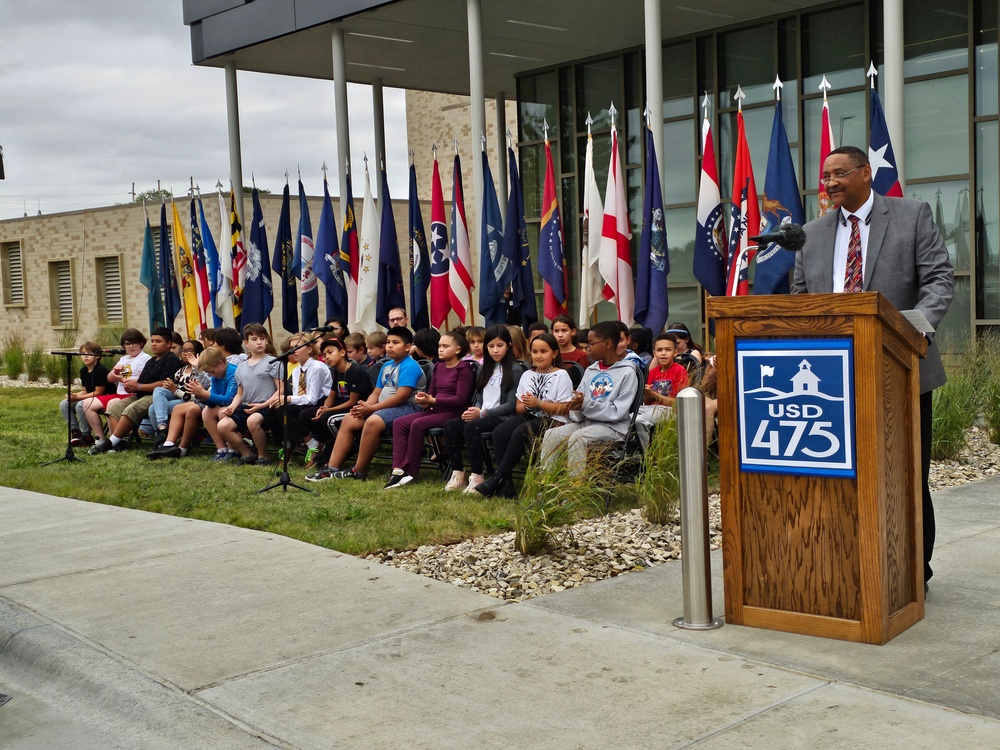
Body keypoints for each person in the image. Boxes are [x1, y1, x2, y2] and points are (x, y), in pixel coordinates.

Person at [793, 144, 954, 589]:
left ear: (866, 173)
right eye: (825, 176)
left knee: (904, 477)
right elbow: (802, 299)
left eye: (839, 173)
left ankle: (911, 574)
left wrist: (915, 330)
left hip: (900, 369)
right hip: (832, 379)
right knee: (842, 476)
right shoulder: (810, 232)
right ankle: (852, 565)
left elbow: (939, 279)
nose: (829, 183)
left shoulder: (911, 215)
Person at [321, 326, 427, 481]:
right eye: (388, 342)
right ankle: (332, 468)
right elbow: (376, 393)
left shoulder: (409, 366)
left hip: (408, 408)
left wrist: (372, 409)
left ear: (408, 347)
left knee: (373, 421)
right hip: (384, 408)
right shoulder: (386, 366)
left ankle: (359, 470)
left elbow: (401, 397)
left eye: (395, 342)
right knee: (351, 418)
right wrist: (364, 406)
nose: (390, 345)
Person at [476, 333, 574, 498]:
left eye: (544, 351)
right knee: (500, 431)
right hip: (533, 415)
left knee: (521, 431)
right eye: (534, 351)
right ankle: (507, 486)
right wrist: (530, 405)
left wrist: (539, 404)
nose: (538, 355)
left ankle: (497, 479)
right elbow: (519, 407)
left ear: (555, 354)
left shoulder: (561, 375)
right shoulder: (528, 374)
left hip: (555, 420)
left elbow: (564, 409)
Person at [539, 320, 641, 476]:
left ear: (607, 344)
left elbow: (617, 412)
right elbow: (580, 401)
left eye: (591, 344)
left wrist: (585, 405)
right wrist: (575, 406)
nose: (587, 349)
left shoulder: (627, 372)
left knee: (578, 438)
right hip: (586, 422)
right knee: (552, 435)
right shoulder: (591, 370)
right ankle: (546, 484)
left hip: (613, 427)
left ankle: (575, 490)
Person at [384, 331, 476, 488]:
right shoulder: (439, 367)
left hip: (453, 412)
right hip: (435, 409)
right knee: (399, 423)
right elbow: (431, 392)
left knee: (418, 424)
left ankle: (411, 471)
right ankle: (398, 469)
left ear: (458, 350)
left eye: (446, 346)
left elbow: (461, 399)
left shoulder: (463, 369)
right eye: (440, 346)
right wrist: (424, 399)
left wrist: (433, 400)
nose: (440, 349)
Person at [442, 325, 526, 493]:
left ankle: (477, 475)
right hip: (482, 414)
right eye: (491, 346)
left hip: (502, 417)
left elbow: (511, 405)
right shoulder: (484, 369)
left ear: (508, 346)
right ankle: (458, 474)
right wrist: (476, 410)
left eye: (500, 345)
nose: (495, 350)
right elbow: (480, 398)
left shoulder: (515, 370)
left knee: (472, 427)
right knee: (451, 425)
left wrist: (481, 413)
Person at [90, 327, 182, 454]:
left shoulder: (171, 359)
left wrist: (138, 386)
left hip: (156, 396)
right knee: (113, 409)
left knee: (131, 410)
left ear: (168, 344)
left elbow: (164, 384)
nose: (154, 344)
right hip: (140, 394)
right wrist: (133, 386)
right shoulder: (151, 360)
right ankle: (120, 443)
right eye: (153, 341)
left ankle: (110, 443)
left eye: (158, 341)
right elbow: (139, 381)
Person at [146, 347, 238, 459]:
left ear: (221, 363)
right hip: (220, 405)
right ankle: (221, 449)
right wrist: (201, 395)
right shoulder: (216, 373)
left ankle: (233, 449)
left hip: (235, 406)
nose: (212, 375)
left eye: (212, 372)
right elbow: (212, 401)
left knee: (218, 412)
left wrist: (203, 394)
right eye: (209, 373)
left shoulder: (233, 373)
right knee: (207, 412)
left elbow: (228, 400)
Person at [302, 337, 374, 474]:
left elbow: (352, 402)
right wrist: (323, 408)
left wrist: (328, 410)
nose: (327, 357)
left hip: (357, 411)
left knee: (328, 419)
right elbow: (332, 395)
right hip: (340, 408)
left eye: (330, 352)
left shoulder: (357, 371)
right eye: (324, 355)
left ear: (342, 352)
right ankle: (330, 442)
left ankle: (349, 446)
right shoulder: (336, 371)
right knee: (306, 415)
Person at [217, 323, 282, 466]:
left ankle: (263, 456)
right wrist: (232, 407)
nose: (259, 342)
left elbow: (281, 389)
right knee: (223, 426)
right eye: (254, 339)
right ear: (246, 343)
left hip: (267, 405)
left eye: (263, 338)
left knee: (252, 421)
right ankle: (247, 454)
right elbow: (240, 393)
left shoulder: (273, 362)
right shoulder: (241, 367)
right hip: (247, 405)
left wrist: (262, 405)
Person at [82, 329, 150, 442]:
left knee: (112, 403)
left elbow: (141, 380)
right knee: (87, 404)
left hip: (133, 395)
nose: (131, 346)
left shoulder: (144, 358)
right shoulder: (123, 359)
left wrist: (119, 377)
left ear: (141, 344)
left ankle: (115, 440)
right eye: (127, 344)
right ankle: (101, 439)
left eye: (134, 343)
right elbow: (109, 378)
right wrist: (116, 373)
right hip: (119, 394)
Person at [280, 333, 333, 462]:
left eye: (298, 347)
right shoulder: (297, 370)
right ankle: (288, 443)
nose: (293, 351)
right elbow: (298, 395)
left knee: (296, 411)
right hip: (304, 401)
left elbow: (313, 398)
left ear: (309, 349)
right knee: (276, 409)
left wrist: (289, 399)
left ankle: (313, 444)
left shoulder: (318, 367)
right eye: (292, 347)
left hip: (321, 402)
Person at [634, 332, 689, 451]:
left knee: (639, 420)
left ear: (675, 352)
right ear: (654, 353)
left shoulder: (679, 371)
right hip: (652, 409)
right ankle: (629, 451)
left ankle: (646, 456)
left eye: (668, 350)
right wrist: (646, 393)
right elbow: (648, 402)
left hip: (670, 411)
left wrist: (654, 394)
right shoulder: (653, 372)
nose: (663, 353)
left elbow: (678, 404)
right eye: (659, 350)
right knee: (627, 417)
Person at [148, 340, 209, 447]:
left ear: (198, 352)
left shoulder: (201, 371)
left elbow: (195, 397)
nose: (185, 353)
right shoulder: (181, 370)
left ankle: (163, 437)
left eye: (189, 350)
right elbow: (175, 387)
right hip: (178, 397)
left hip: (190, 401)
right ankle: (162, 429)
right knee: (158, 390)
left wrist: (175, 389)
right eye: (183, 350)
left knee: (153, 409)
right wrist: (170, 385)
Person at [62, 341, 109, 447]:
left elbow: (99, 392)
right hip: (91, 397)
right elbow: (85, 390)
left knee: (80, 404)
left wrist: (79, 398)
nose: (85, 356)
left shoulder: (100, 370)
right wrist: (74, 396)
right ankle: (75, 432)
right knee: (64, 403)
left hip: (104, 398)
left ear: (97, 356)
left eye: (89, 353)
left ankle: (86, 435)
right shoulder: (83, 370)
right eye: (83, 354)